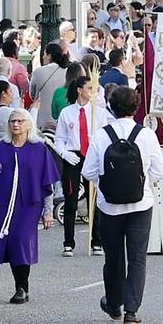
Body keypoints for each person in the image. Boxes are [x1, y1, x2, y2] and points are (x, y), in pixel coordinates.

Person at [84, 86, 163, 324]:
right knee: (138, 257)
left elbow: (88, 171)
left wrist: (107, 183)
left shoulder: (101, 135)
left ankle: (113, 302)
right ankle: (132, 310)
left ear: (111, 106)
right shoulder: (147, 135)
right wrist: (141, 183)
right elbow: (159, 171)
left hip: (109, 206)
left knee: (113, 256)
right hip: (141, 204)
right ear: (136, 107)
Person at [0, 106, 57, 304]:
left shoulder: (39, 149)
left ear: (29, 124)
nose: (16, 125)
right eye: (13, 121)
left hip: (29, 203)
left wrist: (48, 211)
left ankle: (22, 287)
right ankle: (18, 284)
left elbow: (48, 182)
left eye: (20, 121)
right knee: (10, 242)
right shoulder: (0, 148)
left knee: (20, 239)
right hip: (3, 203)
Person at [52, 74, 104, 256]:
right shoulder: (67, 112)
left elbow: (105, 134)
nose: (92, 91)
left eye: (93, 88)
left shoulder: (98, 112)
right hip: (73, 156)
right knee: (71, 199)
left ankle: (96, 241)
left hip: (92, 156)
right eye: (89, 88)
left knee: (94, 199)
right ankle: (68, 243)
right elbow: (59, 139)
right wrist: (64, 153)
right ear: (79, 90)